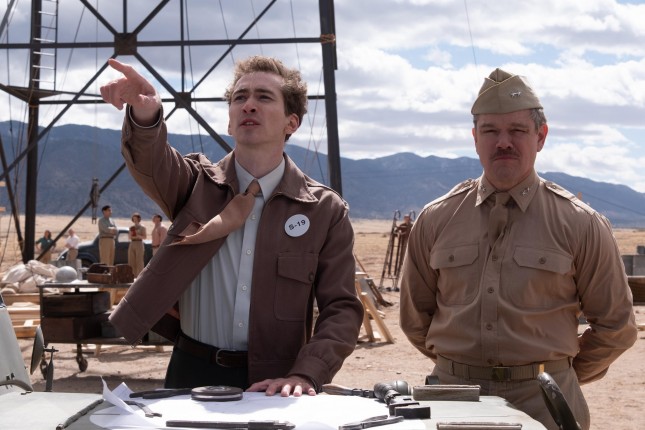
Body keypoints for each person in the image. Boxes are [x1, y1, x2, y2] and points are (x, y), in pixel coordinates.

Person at [99, 56, 363, 396]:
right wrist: (146, 114)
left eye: (264, 97)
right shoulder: (194, 184)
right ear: (229, 121)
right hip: (191, 368)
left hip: (276, 381)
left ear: (291, 122)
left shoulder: (324, 210)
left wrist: (307, 373)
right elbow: (151, 162)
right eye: (240, 97)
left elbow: (341, 308)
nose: (249, 105)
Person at [398, 68, 638, 430]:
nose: (503, 142)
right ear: (475, 138)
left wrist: (559, 374)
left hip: (545, 406)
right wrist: (459, 368)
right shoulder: (436, 219)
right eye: (490, 131)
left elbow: (616, 326)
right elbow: (415, 320)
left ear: (540, 136)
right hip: (453, 401)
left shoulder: (580, 223)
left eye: (517, 131)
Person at [128, 212, 147, 277]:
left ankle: (140, 276)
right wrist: (133, 235)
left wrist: (138, 236)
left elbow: (144, 237)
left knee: (139, 260)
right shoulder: (131, 227)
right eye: (133, 218)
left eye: (136, 218)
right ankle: (133, 275)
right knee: (131, 260)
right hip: (132, 243)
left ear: (139, 219)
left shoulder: (142, 227)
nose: (135, 220)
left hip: (139, 243)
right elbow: (130, 237)